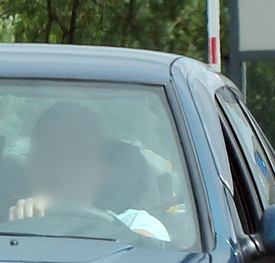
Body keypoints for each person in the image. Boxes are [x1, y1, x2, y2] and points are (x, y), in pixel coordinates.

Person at [9, 102, 170, 241]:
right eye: (47, 154)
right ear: (30, 164)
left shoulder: (134, 223)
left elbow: (141, 259)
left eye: (77, 155)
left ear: (100, 169)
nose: (59, 167)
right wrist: (19, 227)